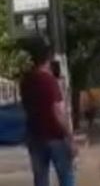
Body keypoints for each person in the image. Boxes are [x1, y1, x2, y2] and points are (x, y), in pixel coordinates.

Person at [20, 38, 77, 186]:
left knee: (40, 179)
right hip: (55, 137)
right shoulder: (49, 81)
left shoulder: (25, 81)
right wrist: (70, 138)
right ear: (48, 57)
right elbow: (58, 112)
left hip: (35, 137)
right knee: (66, 176)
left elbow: (27, 109)